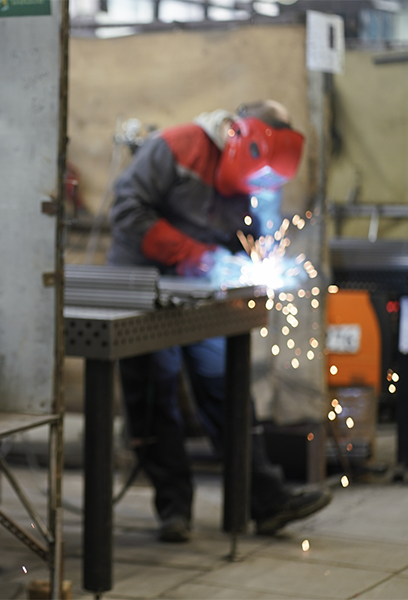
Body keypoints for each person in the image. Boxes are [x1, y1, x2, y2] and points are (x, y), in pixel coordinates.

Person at [107, 100, 331, 542]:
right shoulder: (173, 148)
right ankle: (174, 510)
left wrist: (255, 261)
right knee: (155, 395)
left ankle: (265, 502)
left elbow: (256, 233)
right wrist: (199, 258)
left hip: (205, 291)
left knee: (227, 387)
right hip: (144, 286)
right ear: (236, 139)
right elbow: (127, 214)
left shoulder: (259, 176)